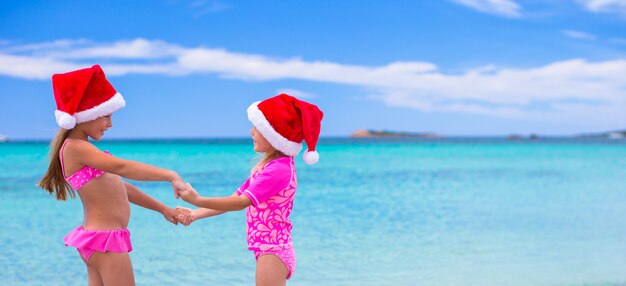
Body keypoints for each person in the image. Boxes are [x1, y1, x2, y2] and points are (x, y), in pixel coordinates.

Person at [38, 65, 189, 286]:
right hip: (105, 241)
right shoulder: (75, 147)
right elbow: (122, 167)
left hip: (99, 240)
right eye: (105, 116)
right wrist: (169, 175)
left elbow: (121, 187)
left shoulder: (84, 150)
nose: (110, 124)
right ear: (84, 115)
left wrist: (163, 209)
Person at [177, 93, 323, 286]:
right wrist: (196, 214)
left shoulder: (278, 170)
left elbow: (239, 203)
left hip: (273, 249)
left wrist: (197, 199)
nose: (251, 132)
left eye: (258, 127)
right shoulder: (269, 167)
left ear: (274, 135)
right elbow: (232, 199)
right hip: (268, 248)